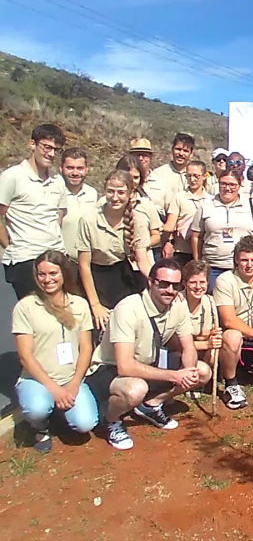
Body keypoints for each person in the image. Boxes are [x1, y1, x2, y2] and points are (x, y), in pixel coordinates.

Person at [85, 258, 213, 450]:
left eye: (175, 285)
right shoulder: (128, 309)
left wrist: (188, 371)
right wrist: (175, 376)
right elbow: (125, 365)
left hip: (150, 361)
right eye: (163, 283)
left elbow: (188, 347)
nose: (170, 290)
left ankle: (151, 405)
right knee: (135, 389)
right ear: (151, 282)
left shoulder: (178, 305)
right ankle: (111, 420)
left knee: (201, 371)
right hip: (110, 369)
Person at [13, 251, 99, 452]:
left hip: (71, 378)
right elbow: (25, 356)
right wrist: (55, 390)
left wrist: (74, 384)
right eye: (41, 274)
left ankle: (60, 413)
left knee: (85, 424)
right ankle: (39, 427)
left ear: (64, 274)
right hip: (38, 380)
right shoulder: (26, 307)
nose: (47, 279)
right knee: (36, 409)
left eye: (53, 273)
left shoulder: (79, 304)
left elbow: (86, 347)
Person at [77, 170, 152, 329]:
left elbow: (142, 260)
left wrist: (160, 282)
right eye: (110, 191)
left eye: (121, 192)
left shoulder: (138, 220)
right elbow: (84, 265)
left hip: (124, 275)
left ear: (131, 194)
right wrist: (95, 305)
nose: (115, 197)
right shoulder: (88, 220)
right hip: (97, 277)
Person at [0, 124, 68, 299]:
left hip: (55, 256)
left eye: (56, 150)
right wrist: (10, 245)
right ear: (32, 144)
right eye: (47, 147)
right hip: (26, 259)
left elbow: (58, 216)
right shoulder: (13, 176)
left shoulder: (58, 181)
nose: (51, 154)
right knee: (34, 317)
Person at [214, 236, 253, 408]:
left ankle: (242, 367)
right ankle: (231, 384)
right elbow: (228, 320)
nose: (249, 265)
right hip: (229, 338)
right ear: (236, 260)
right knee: (233, 336)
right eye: (244, 260)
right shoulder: (225, 280)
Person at [191, 169, 253, 289]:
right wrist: (197, 263)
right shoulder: (206, 206)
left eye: (232, 184)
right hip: (213, 268)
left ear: (239, 186)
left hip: (244, 268)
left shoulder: (251, 205)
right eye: (223, 184)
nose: (227, 188)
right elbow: (196, 236)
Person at [163, 160, 212, 266]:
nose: (192, 180)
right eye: (189, 176)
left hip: (204, 250)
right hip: (182, 250)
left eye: (196, 176)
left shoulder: (211, 200)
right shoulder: (179, 197)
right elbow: (171, 222)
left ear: (204, 176)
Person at [116, 156, 163, 263]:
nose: (132, 181)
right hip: (116, 262)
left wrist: (140, 245)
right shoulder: (108, 203)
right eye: (128, 176)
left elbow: (156, 236)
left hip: (142, 262)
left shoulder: (146, 204)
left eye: (136, 177)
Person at [58, 147, 99, 271]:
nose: (75, 173)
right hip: (64, 263)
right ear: (61, 168)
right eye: (70, 168)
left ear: (87, 169)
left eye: (79, 168)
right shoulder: (55, 193)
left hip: (90, 264)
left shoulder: (92, 193)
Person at [181, 260, 223, 369]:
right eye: (193, 282)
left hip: (198, 347)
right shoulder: (178, 302)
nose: (198, 287)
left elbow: (205, 334)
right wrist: (206, 344)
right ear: (185, 283)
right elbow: (176, 344)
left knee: (213, 354)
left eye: (202, 282)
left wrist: (212, 336)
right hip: (179, 351)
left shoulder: (209, 302)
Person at [131, 138, 171, 223]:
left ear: (151, 157)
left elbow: (170, 211)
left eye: (144, 155)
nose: (140, 158)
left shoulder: (162, 183)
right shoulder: (123, 182)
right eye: (137, 155)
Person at [151, 132, 195, 203]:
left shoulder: (196, 176)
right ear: (172, 149)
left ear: (191, 154)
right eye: (178, 149)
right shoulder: (158, 174)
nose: (181, 154)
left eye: (185, 151)